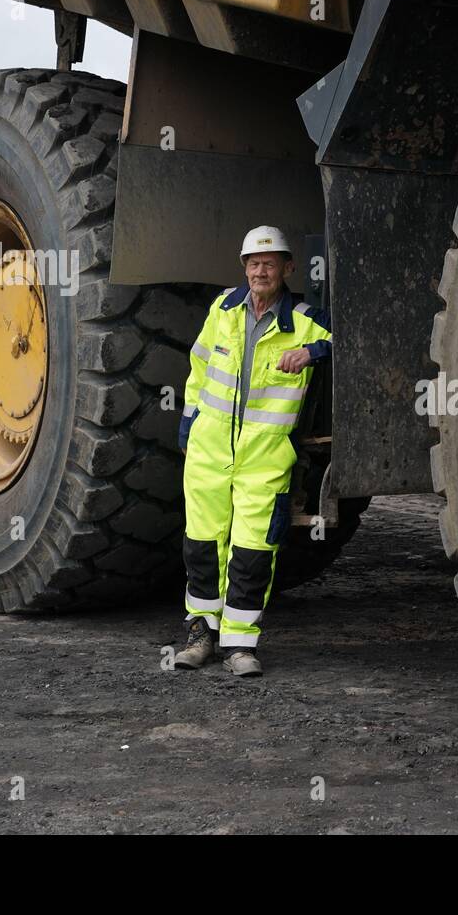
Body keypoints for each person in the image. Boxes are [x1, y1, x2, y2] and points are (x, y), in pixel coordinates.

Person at [173, 225, 332, 676]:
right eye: (254, 263)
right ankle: (201, 634)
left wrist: (312, 352)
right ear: (244, 268)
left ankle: (240, 647)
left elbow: (352, 338)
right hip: (209, 450)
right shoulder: (222, 309)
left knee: (252, 550)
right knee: (202, 544)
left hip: (264, 459)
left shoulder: (305, 320)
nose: (261, 271)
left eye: (270, 263)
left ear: (288, 268)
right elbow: (198, 368)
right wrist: (189, 424)